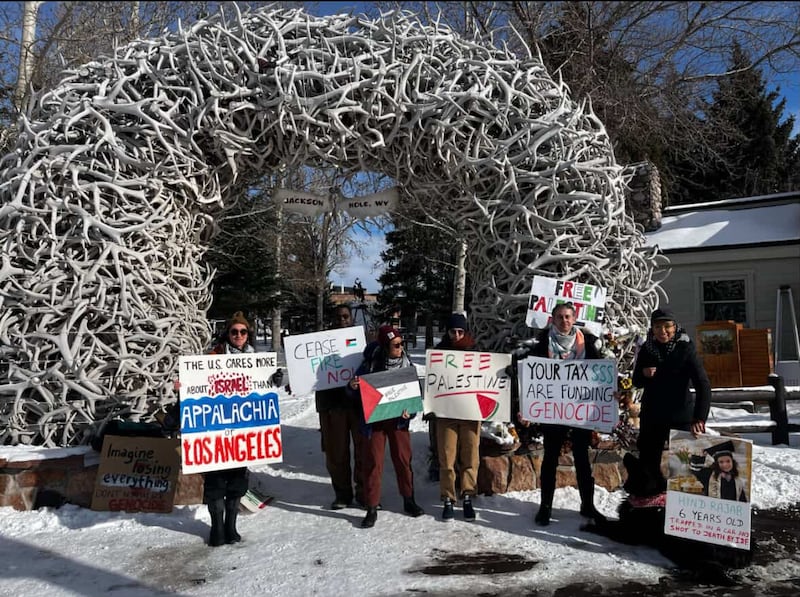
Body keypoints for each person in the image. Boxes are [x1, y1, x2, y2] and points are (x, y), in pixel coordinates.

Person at [532, 302, 607, 526]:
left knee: (582, 459)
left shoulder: (589, 344)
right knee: (550, 459)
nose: (564, 321)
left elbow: (600, 374)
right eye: (559, 317)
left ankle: (588, 504)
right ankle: (545, 506)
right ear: (552, 320)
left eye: (568, 317)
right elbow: (532, 376)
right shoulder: (542, 344)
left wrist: (608, 392)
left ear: (574, 319)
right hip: (555, 412)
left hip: (580, 410)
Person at [348, 326, 424, 528]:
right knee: (373, 462)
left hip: (398, 421)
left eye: (402, 344)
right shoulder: (370, 365)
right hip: (375, 422)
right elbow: (355, 390)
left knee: (402, 459)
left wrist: (412, 411)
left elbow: (415, 393)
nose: (400, 348)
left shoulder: (407, 365)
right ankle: (371, 507)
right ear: (384, 347)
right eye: (396, 345)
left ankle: (409, 500)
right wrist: (353, 387)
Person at [632, 307, 711, 494]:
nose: (663, 331)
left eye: (667, 326)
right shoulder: (646, 348)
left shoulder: (685, 348)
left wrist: (699, 418)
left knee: (683, 466)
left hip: (680, 415)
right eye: (658, 327)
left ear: (675, 327)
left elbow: (703, 384)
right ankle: (651, 503)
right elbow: (636, 380)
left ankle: (682, 510)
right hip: (652, 416)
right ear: (652, 329)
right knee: (648, 464)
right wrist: (643, 373)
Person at [203, 310, 253, 546]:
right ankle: (217, 528)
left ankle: (231, 526)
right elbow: (198, 383)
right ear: (228, 333)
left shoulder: (255, 358)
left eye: (243, 331)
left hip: (242, 428)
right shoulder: (213, 355)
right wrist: (184, 385)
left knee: (237, 478)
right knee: (215, 479)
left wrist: (271, 378)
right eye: (235, 331)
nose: (239, 335)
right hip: (216, 428)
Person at [315, 303, 365, 510]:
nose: (342, 320)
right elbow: (306, 372)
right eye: (338, 317)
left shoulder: (361, 342)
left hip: (357, 404)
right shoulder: (319, 344)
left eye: (345, 316)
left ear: (351, 319)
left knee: (363, 452)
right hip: (331, 405)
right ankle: (342, 494)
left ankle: (364, 493)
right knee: (336, 454)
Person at [433, 312, 481, 522]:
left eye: (461, 331)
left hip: (470, 412)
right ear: (447, 331)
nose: (457, 335)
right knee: (447, 456)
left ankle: (468, 495)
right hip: (446, 413)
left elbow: (486, 378)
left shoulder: (475, 350)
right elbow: (433, 382)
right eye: (453, 331)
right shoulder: (439, 353)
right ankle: (448, 498)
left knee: (470, 455)